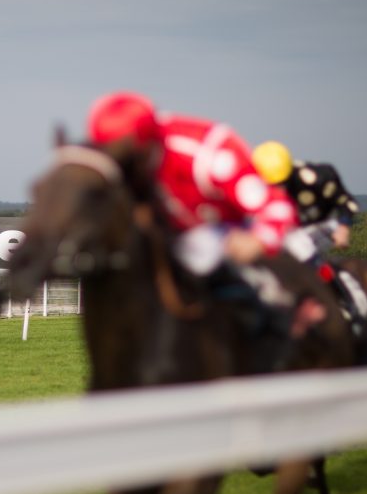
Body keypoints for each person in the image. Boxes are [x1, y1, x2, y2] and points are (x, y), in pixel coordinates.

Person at [86, 91, 323, 333]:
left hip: (226, 231)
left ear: (146, 147)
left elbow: (277, 207)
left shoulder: (212, 156)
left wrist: (258, 240)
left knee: (206, 253)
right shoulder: (113, 161)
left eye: (127, 160)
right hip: (170, 233)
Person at [251, 141, 367, 328]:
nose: (277, 190)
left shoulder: (319, 177)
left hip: (325, 224)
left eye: (281, 184)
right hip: (288, 229)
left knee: (300, 244)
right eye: (270, 186)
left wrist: (344, 228)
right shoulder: (251, 185)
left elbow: (348, 203)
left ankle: (345, 302)